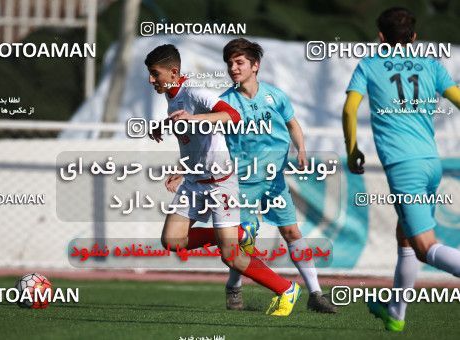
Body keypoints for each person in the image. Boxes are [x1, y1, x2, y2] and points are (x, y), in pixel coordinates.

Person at [145, 44, 301, 316]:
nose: (151, 80)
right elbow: (192, 133)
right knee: (172, 241)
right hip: (195, 182)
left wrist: (193, 119)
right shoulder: (172, 94)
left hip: (219, 183)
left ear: (173, 72)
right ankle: (240, 233)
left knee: (231, 256)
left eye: (154, 74)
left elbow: (233, 116)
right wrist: (164, 127)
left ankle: (286, 288)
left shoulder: (195, 91)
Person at [342, 7, 460, 332]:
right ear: (414, 37)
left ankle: (395, 311)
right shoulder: (432, 66)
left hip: (403, 166)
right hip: (430, 163)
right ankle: (395, 312)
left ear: (381, 37)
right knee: (405, 236)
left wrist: (353, 151)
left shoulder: (368, 65)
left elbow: (350, 110)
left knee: (425, 247)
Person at [220, 38, 336, 314]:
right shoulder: (224, 102)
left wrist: (302, 149)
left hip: (274, 181)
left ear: (255, 65)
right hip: (242, 184)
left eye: (239, 62)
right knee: (244, 241)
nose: (233, 68)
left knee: (292, 231)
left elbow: (293, 124)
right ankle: (234, 286)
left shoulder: (275, 96)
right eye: (229, 63)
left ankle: (315, 293)